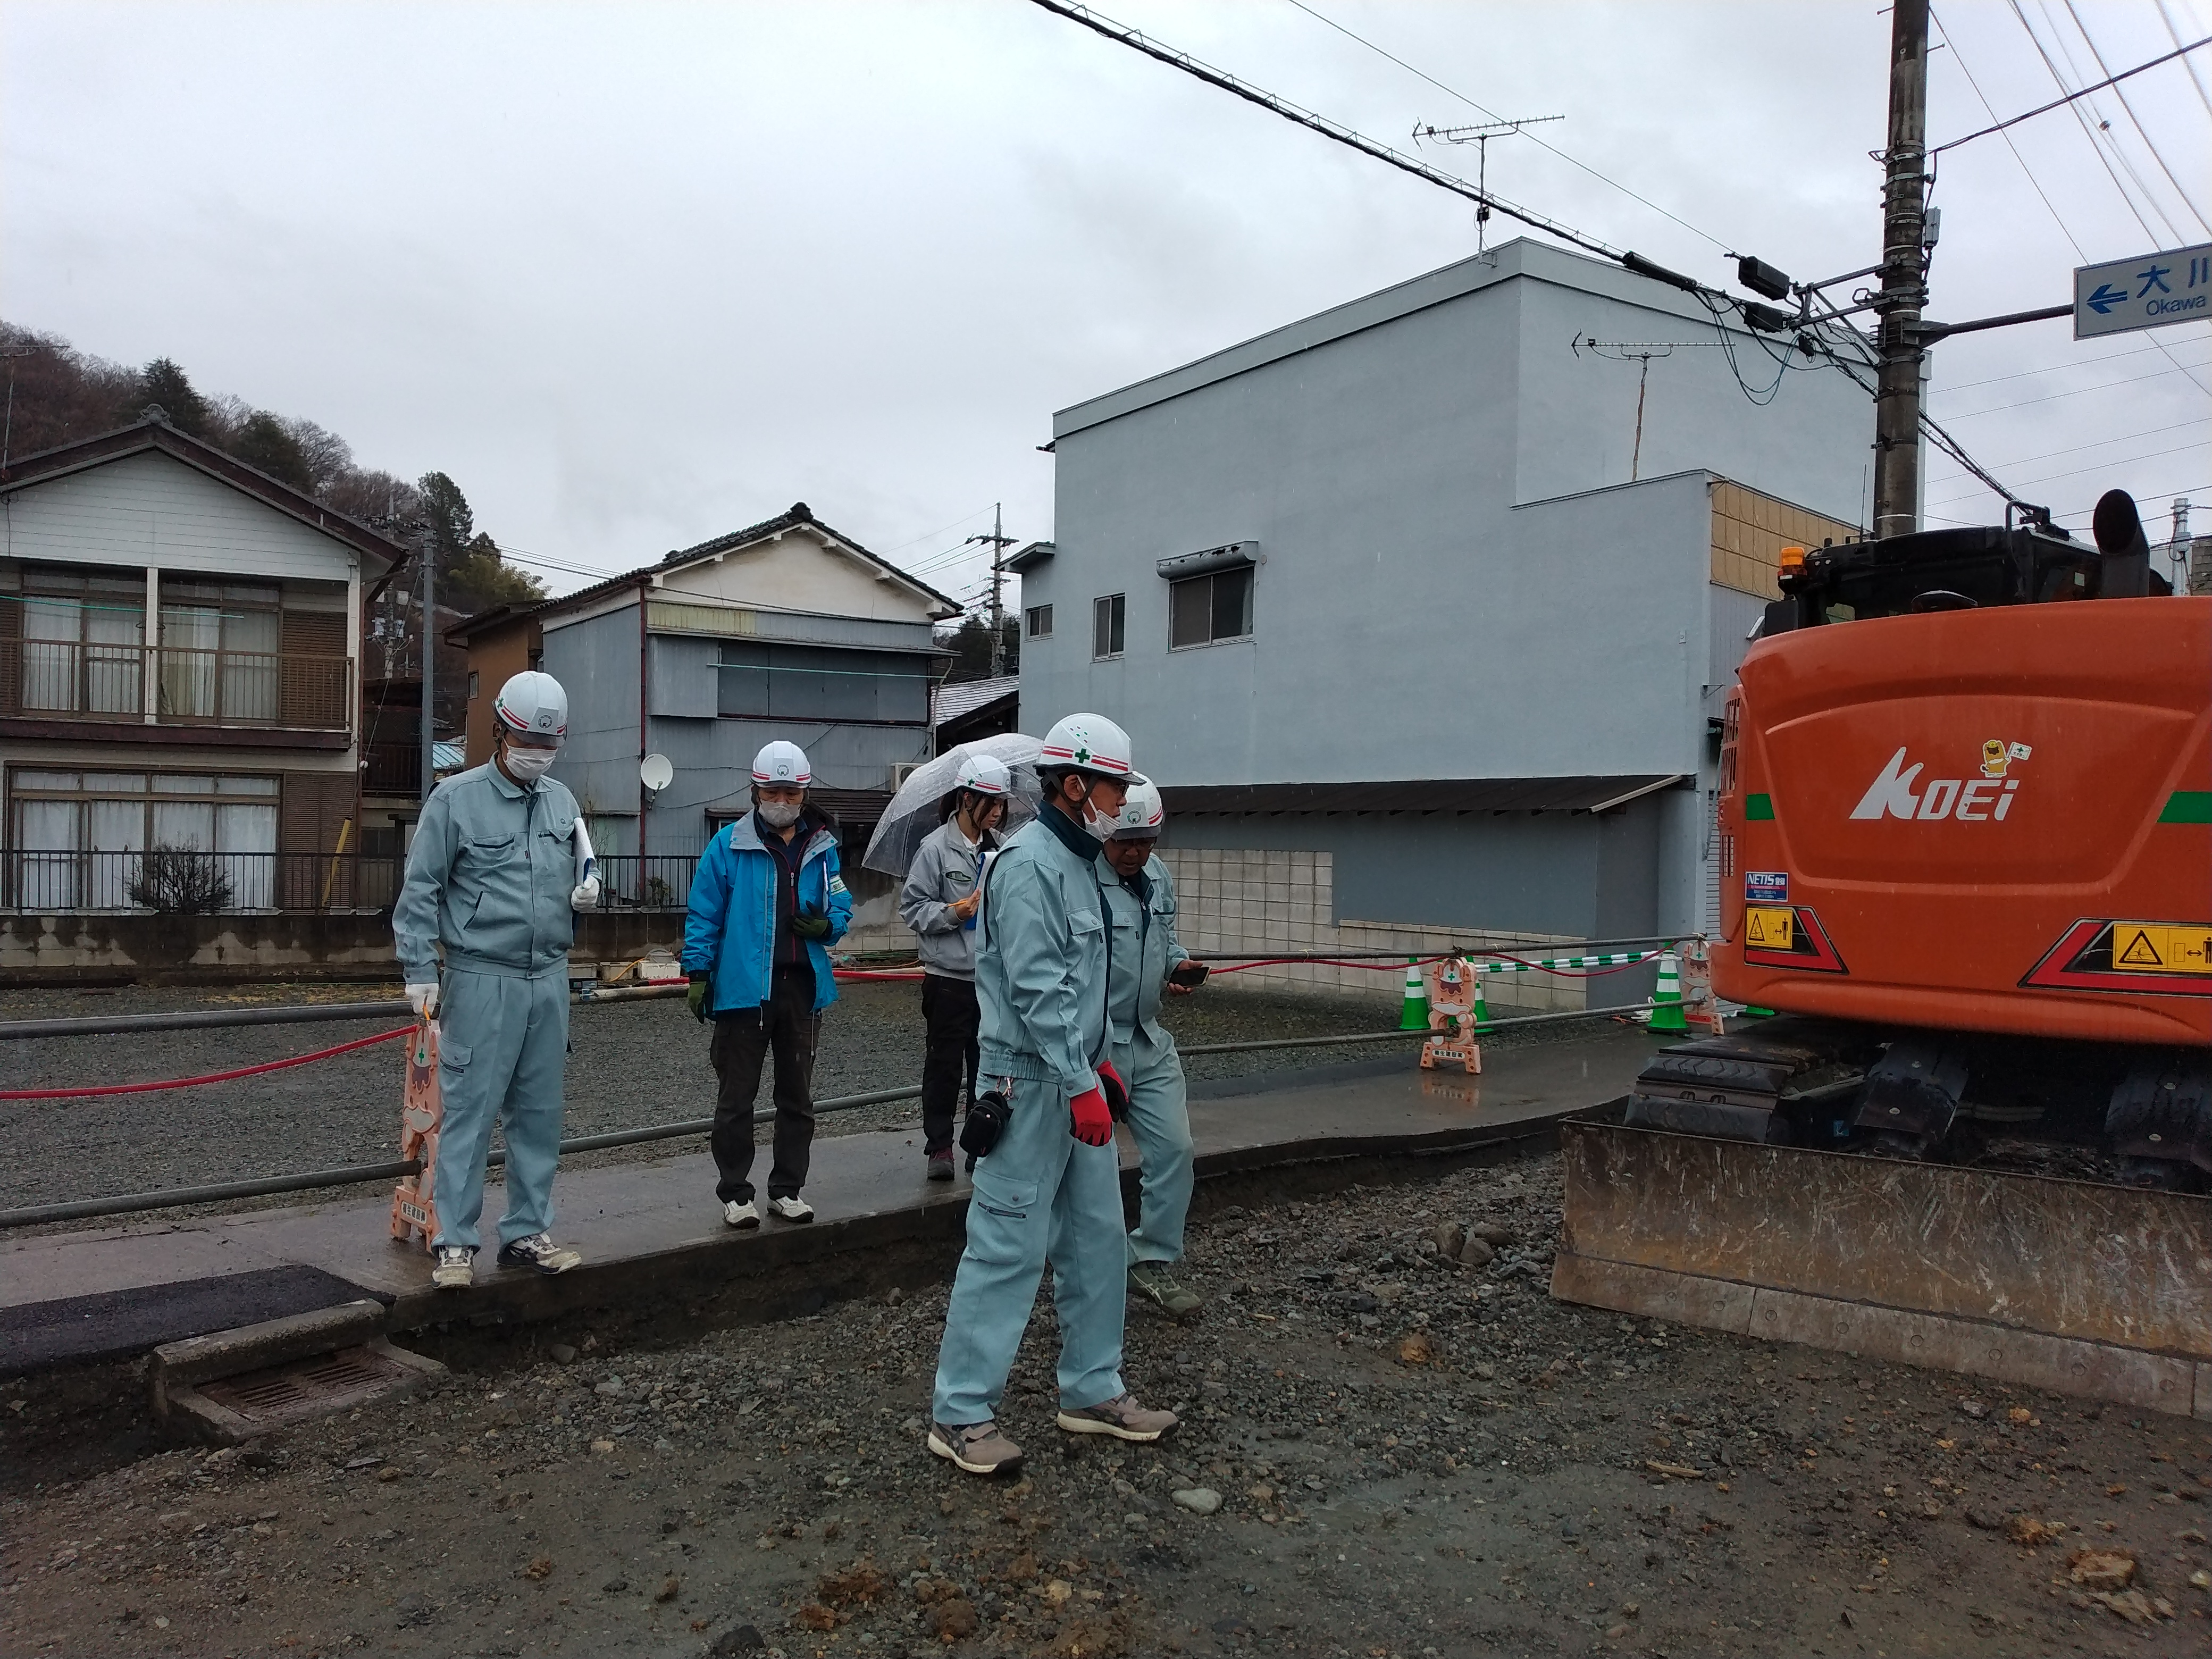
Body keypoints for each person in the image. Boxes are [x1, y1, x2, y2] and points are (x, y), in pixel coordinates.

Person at [928, 713, 1178, 1477]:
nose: (1120, 801)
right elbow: (1037, 991)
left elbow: (1082, 990)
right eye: (1112, 786)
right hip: (1030, 1084)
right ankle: (961, 1414)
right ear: (1076, 785)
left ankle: (1092, 1388)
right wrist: (1081, 1080)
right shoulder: (1029, 866)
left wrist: (1097, 1066)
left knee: (1097, 1240)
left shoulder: (1084, 865)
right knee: (1007, 1246)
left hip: (1075, 1079)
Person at [395, 669, 598, 1291]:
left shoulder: (563, 801)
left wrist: (589, 886)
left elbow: (581, 860)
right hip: (480, 974)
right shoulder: (453, 799)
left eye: (549, 746)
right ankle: (454, 1242)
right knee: (469, 1114)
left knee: (539, 1114)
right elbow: (420, 888)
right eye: (525, 740)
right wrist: (420, 970)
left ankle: (526, 1232)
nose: (538, 754)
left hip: (549, 976)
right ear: (498, 732)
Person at [683, 740, 853, 1229]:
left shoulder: (822, 848)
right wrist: (698, 973)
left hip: (801, 988)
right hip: (743, 989)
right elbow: (704, 913)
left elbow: (840, 903)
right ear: (756, 789)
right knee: (736, 1097)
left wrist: (830, 926)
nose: (782, 800)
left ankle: (787, 1189)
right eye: (774, 790)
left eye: (792, 792)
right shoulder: (728, 845)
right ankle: (736, 1193)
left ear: (804, 793)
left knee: (797, 1096)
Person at [1099, 780, 1209, 1318]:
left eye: (1146, 841)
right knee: (1087, 1169)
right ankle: (1086, 1267)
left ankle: (1148, 1260)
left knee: (1174, 1150)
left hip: (1147, 1035)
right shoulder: (1077, 882)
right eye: (1123, 841)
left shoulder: (1156, 877)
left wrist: (1177, 965)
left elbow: (1163, 942)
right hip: (1095, 1042)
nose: (1134, 852)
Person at [898, 751, 1012, 1181]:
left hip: (992, 980)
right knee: (944, 1068)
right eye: (990, 802)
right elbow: (912, 909)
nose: (998, 811)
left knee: (989, 1066)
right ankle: (940, 1147)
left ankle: (980, 1144)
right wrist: (953, 913)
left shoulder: (1003, 850)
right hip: (948, 980)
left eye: (1002, 803)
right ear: (966, 798)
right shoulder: (934, 850)